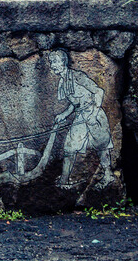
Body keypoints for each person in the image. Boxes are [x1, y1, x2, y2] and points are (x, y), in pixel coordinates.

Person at [48, 49, 115, 189]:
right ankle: (64, 180)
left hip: (94, 114)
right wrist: (63, 115)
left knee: (102, 146)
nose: (52, 65)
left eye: (55, 62)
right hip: (80, 116)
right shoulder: (62, 83)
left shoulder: (78, 76)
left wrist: (94, 113)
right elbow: (74, 104)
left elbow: (99, 91)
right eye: (50, 62)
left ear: (63, 62)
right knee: (70, 147)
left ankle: (108, 175)